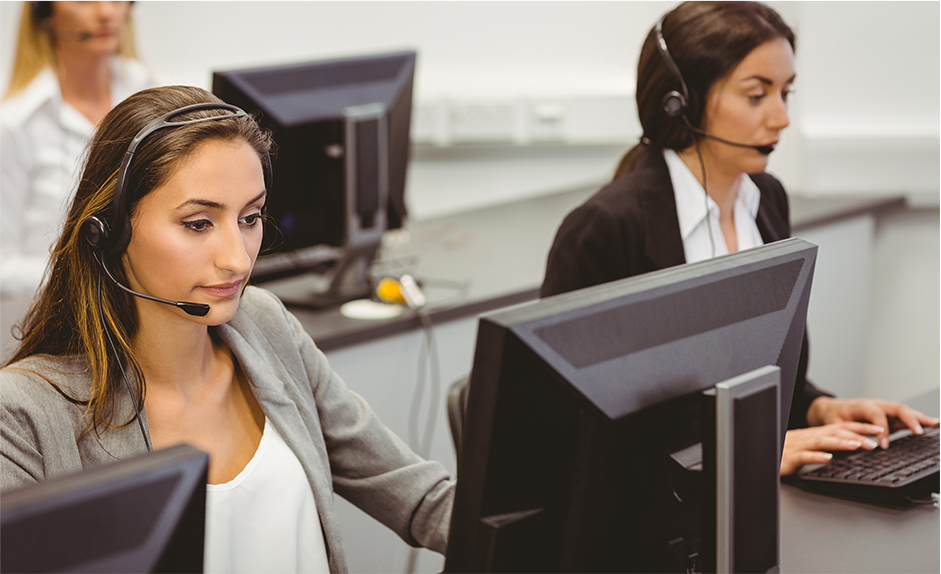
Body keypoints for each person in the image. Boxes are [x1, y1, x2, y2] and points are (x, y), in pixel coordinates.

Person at [0, 85, 454, 573]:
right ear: (107, 231)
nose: (238, 259)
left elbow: (421, 498)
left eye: (250, 217)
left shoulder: (266, 327)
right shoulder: (24, 415)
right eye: (198, 224)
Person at [540, 1, 938, 477]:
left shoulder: (766, 200)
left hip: (752, 502)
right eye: (756, 95)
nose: (782, 118)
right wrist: (746, 453)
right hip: (653, 528)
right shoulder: (606, 230)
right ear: (680, 101)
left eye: (786, 93)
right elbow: (579, 439)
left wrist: (818, 409)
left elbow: (750, 382)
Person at [1, 1, 154, 298]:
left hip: (145, 315)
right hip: (62, 322)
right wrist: (93, 275)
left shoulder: (146, 92)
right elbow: (2, 265)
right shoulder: (14, 126)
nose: (106, 13)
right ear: (44, 13)